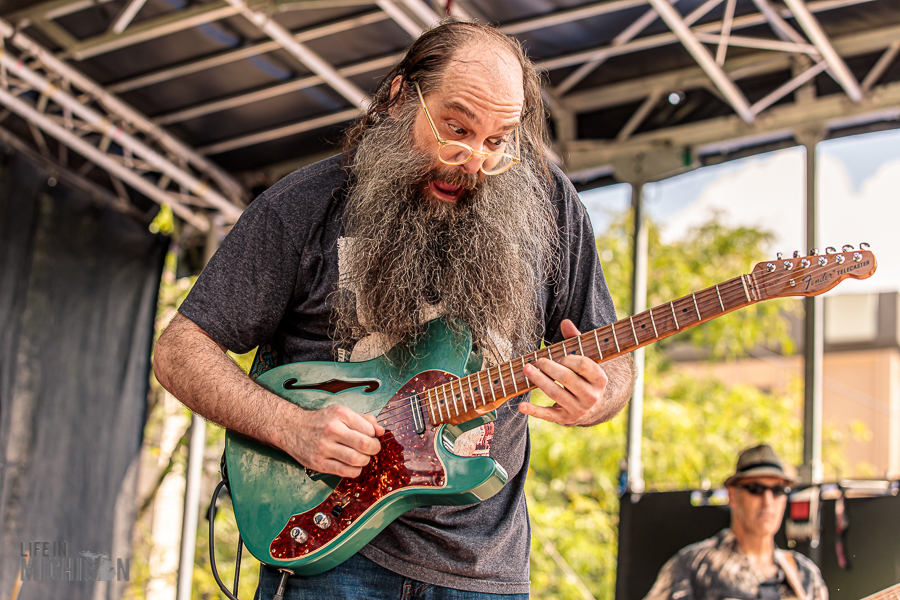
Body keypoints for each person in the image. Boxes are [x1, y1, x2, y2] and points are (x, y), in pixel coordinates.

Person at [153, 20, 635, 599]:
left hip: (485, 571)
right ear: (400, 95)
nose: (472, 160)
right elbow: (180, 349)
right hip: (328, 553)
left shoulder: (551, 205)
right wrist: (291, 427)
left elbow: (616, 361)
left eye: (497, 140)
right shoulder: (301, 206)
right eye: (456, 127)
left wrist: (596, 398)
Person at [644, 444, 828, 600]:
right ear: (732, 495)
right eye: (756, 488)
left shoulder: (805, 574)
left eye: (778, 490)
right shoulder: (694, 566)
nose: (768, 501)